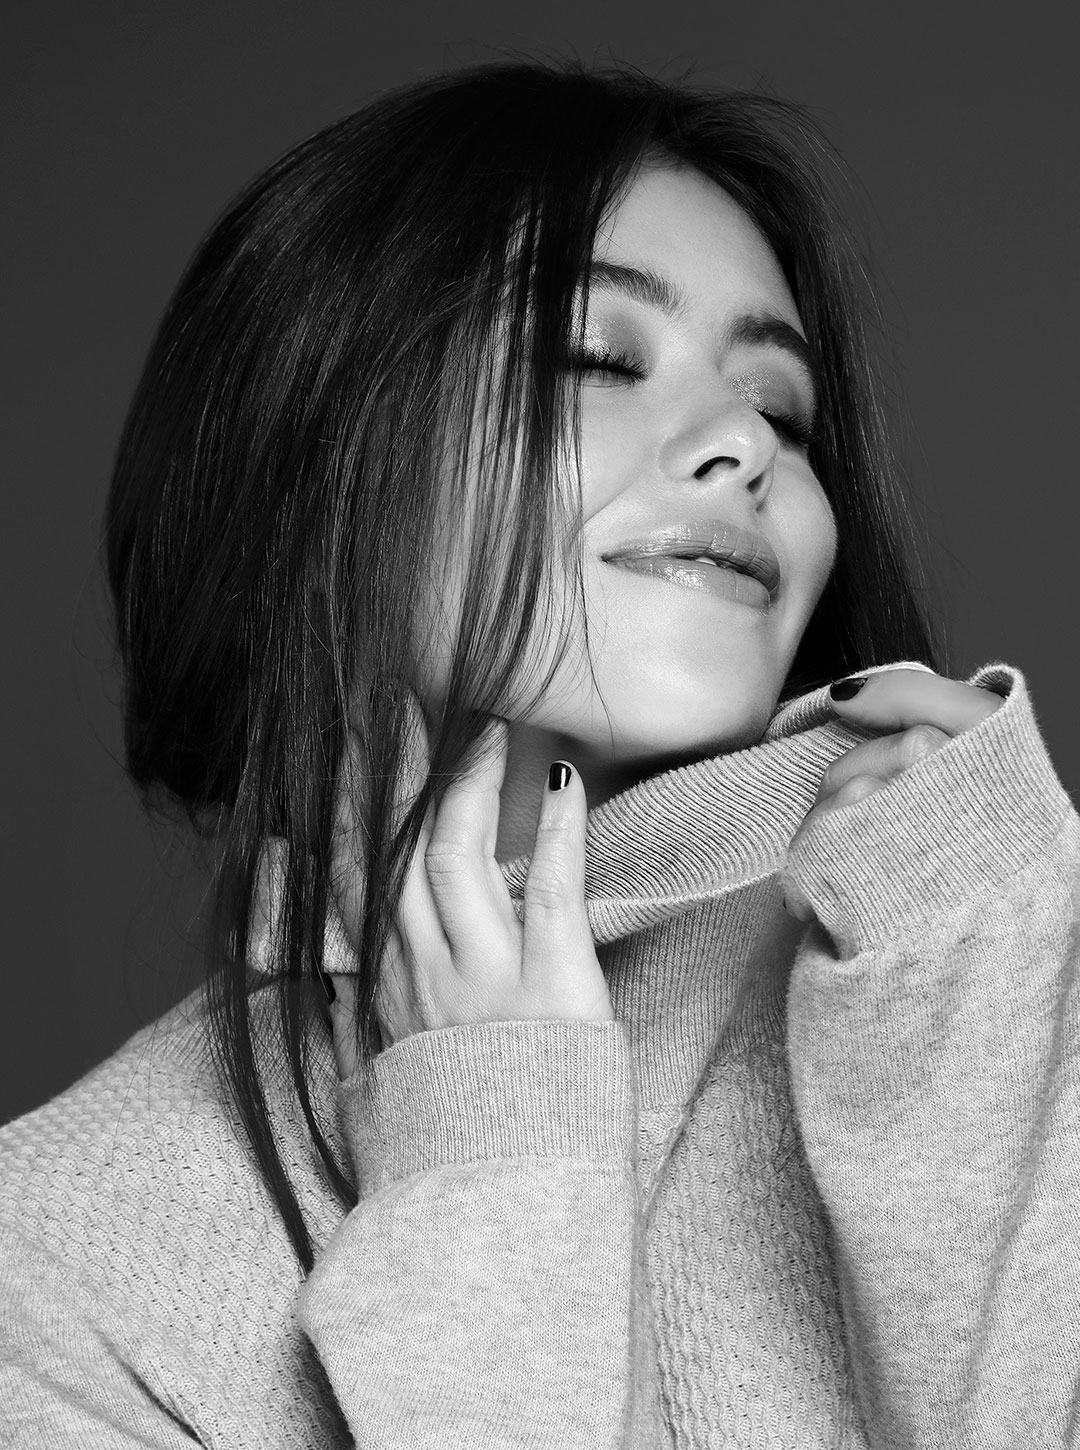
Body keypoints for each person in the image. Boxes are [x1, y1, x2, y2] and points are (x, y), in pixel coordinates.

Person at [1, 58, 1077, 1449]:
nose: (744, 444)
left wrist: (978, 980)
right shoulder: (66, 1267)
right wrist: (494, 1151)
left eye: (784, 410)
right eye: (598, 361)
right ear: (316, 452)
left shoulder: (955, 947)